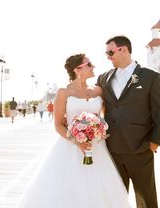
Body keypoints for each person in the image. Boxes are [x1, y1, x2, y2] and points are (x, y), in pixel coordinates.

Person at [18, 53, 131, 208]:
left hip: (97, 147)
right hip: (70, 146)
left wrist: (98, 129)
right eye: (89, 64)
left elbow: (107, 116)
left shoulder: (99, 91)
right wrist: (76, 141)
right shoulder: (63, 93)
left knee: (98, 187)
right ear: (78, 70)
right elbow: (58, 125)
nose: (93, 67)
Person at [97, 35, 160, 208]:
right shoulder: (103, 78)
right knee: (115, 198)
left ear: (123, 50)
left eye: (110, 52)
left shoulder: (150, 76)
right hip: (111, 149)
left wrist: (154, 143)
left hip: (140, 149)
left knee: (145, 197)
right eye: (106, 53)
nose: (108, 56)